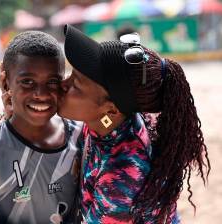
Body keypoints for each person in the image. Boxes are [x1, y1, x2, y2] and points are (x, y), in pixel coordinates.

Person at [57, 24, 211, 223]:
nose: (63, 84)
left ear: (110, 109)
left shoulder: (122, 176)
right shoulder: (110, 121)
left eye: (75, 85)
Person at [0, 31, 82, 224]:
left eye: (52, 82)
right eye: (27, 82)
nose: (41, 94)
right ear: (6, 83)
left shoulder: (82, 140)